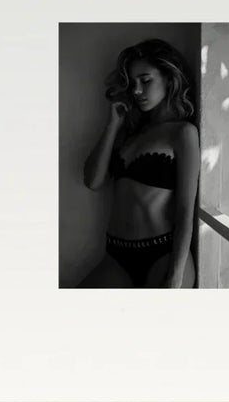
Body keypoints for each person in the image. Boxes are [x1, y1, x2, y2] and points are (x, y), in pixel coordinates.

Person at [78, 39, 199, 288]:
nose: (136, 90)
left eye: (146, 80)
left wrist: (175, 276)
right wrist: (112, 125)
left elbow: (186, 210)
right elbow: (93, 181)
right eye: (132, 83)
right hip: (116, 256)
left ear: (168, 78)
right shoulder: (131, 134)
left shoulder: (182, 133)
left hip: (162, 255)